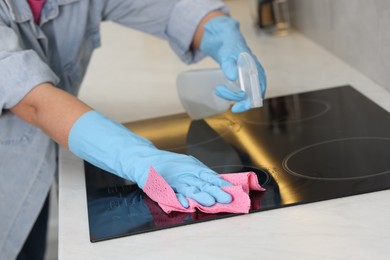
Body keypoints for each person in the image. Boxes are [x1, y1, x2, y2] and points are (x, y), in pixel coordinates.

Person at [0, 0, 266, 259]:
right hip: (8, 168)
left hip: (38, 159)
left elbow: (169, 8)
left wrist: (219, 33)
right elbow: (33, 101)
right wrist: (137, 156)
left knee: (27, 238)